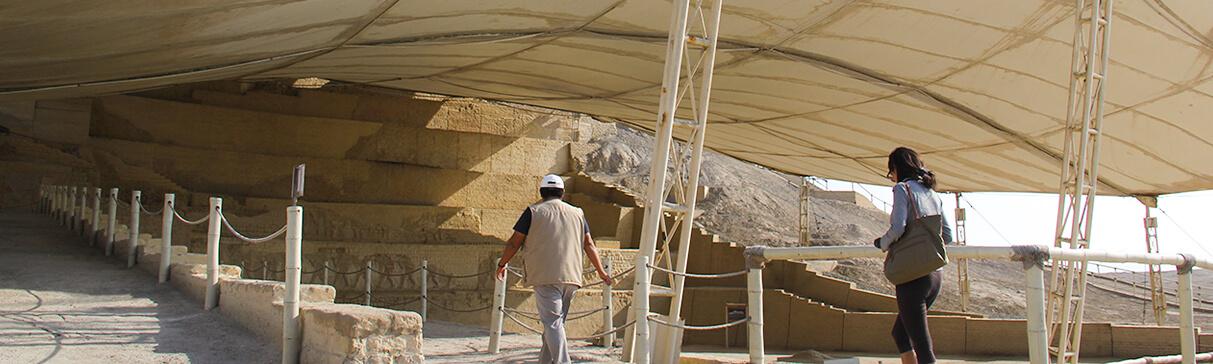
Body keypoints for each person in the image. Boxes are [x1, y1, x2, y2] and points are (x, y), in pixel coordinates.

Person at [495, 174, 613, 364]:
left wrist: (502, 264)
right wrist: (601, 272)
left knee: (553, 324)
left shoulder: (533, 211)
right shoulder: (578, 213)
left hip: (545, 277)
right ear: (562, 193)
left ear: (541, 192)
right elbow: (589, 244)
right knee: (555, 325)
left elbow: (514, 242)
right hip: (572, 277)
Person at [873, 147, 953, 364]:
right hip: (935, 276)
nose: (892, 178)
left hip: (912, 277)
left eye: (891, 172)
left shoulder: (902, 189)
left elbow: (898, 227)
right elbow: (948, 234)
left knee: (925, 352)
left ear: (897, 168)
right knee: (900, 334)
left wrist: (883, 243)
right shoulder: (932, 193)